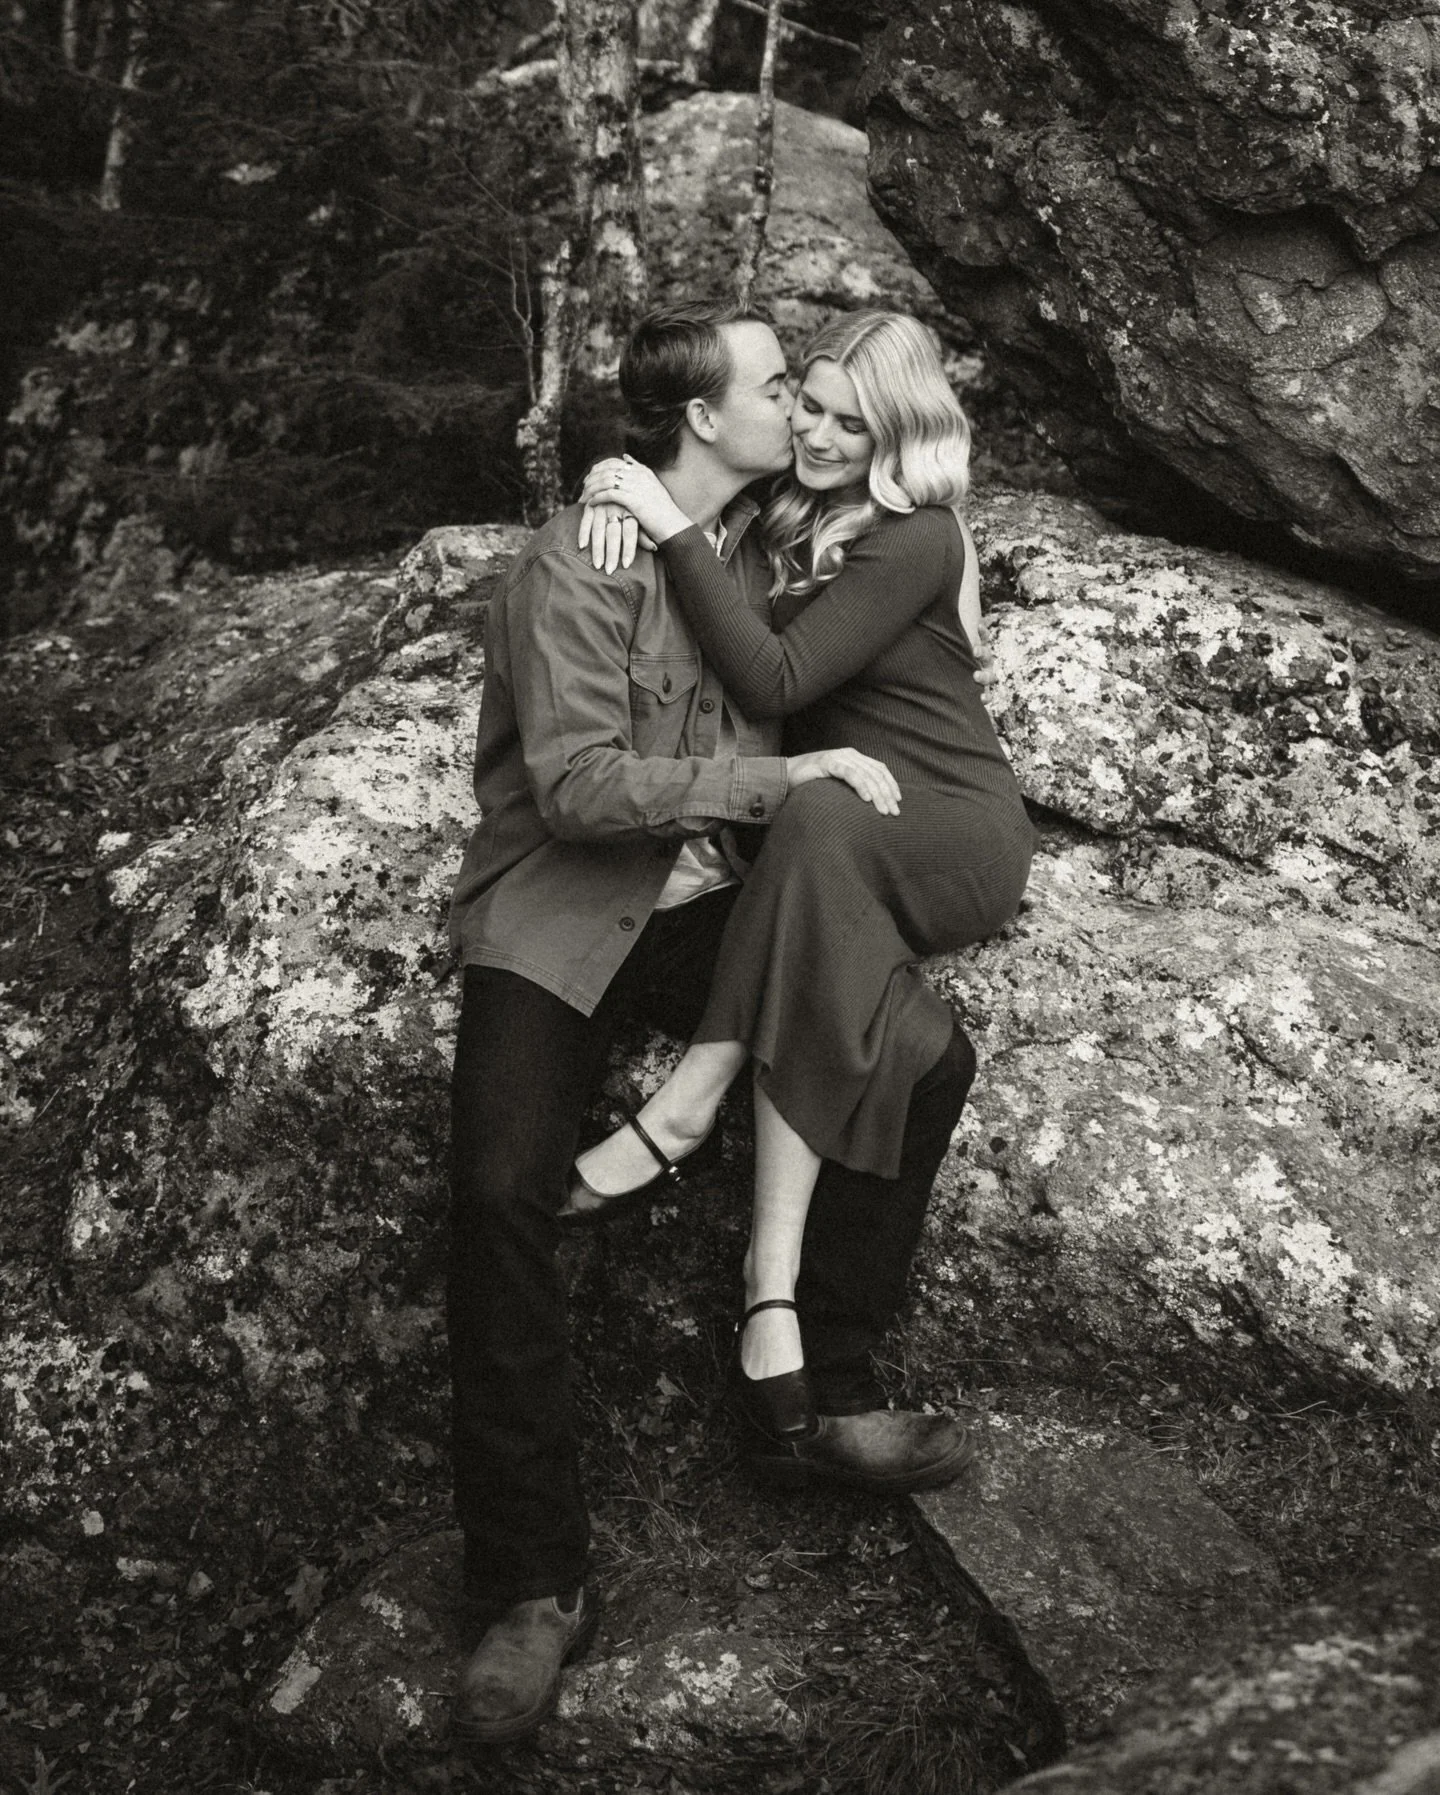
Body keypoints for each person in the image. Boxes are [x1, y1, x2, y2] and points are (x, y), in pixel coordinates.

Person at [445, 301, 980, 1750]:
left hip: (706, 915)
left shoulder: (749, 550)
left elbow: (876, 591)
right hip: (561, 915)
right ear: (703, 417)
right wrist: (788, 781)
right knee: (498, 1188)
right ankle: (533, 1582)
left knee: (929, 1049)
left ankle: (822, 1389)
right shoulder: (584, 557)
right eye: (775, 393)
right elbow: (573, 790)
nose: (796, 419)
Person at [568, 310, 1036, 1478]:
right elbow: (682, 503)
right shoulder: (775, 517)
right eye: (808, 405)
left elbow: (776, 674)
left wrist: (669, 523)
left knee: (816, 811)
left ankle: (688, 1099)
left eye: (850, 418)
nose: (820, 434)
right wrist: (617, 490)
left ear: (900, 426)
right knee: (895, 1032)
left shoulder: (918, 537)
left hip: (951, 826)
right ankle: (784, 1334)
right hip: (835, 831)